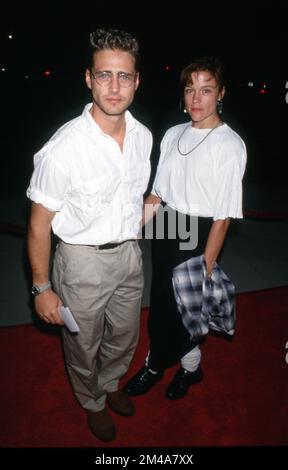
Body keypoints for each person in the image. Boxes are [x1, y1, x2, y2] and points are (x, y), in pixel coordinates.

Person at [26, 28, 152, 442]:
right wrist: (42, 287)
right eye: (104, 75)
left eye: (124, 76)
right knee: (83, 344)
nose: (114, 87)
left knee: (125, 333)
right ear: (88, 78)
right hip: (81, 262)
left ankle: (111, 382)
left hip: (130, 256)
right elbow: (39, 223)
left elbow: (135, 200)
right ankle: (92, 401)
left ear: (137, 81)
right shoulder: (63, 148)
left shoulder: (143, 138)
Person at [123, 56, 247, 400]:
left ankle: (158, 365)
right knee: (164, 305)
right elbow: (158, 194)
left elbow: (223, 217)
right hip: (168, 226)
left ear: (220, 93)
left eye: (206, 90)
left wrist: (206, 268)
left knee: (182, 313)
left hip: (200, 233)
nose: (196, 98)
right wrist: (130, 228)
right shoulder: (173, 133)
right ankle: (189, 367)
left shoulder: (230, 145)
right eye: (190, 89)